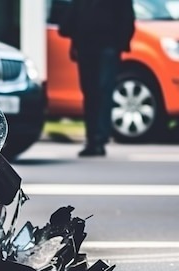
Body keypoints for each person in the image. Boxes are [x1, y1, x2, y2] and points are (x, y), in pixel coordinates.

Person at [58, 0, 135, 157]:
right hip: (93, 45)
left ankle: (97, 138)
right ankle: (94, 138)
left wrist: (119, 45)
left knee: (99, 91)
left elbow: (126, 17)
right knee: (92, 92)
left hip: (104, 45)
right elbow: (75, 16)